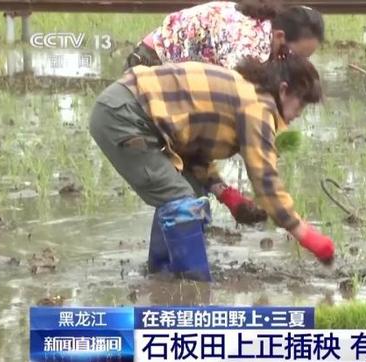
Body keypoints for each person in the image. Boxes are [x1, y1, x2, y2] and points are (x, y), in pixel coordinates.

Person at [91, 48, 335, 282]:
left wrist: (225, 194)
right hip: (124, 115)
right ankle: (193, 286)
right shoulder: (258, 107)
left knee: (190, 190)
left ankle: (162, 273)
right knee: (180, 200)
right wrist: (304, 233)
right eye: (301, 104)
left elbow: (190, 150)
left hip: (124, 107)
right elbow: (265, 180)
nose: (300, 114)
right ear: (283, 90)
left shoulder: (246, 93)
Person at [125, 0, 324, 69]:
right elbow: (236, 93)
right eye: (293, 56)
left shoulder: (262, 24)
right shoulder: (248, 39)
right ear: (280, 36)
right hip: (150, 65)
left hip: (168, 69)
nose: (294, 63)